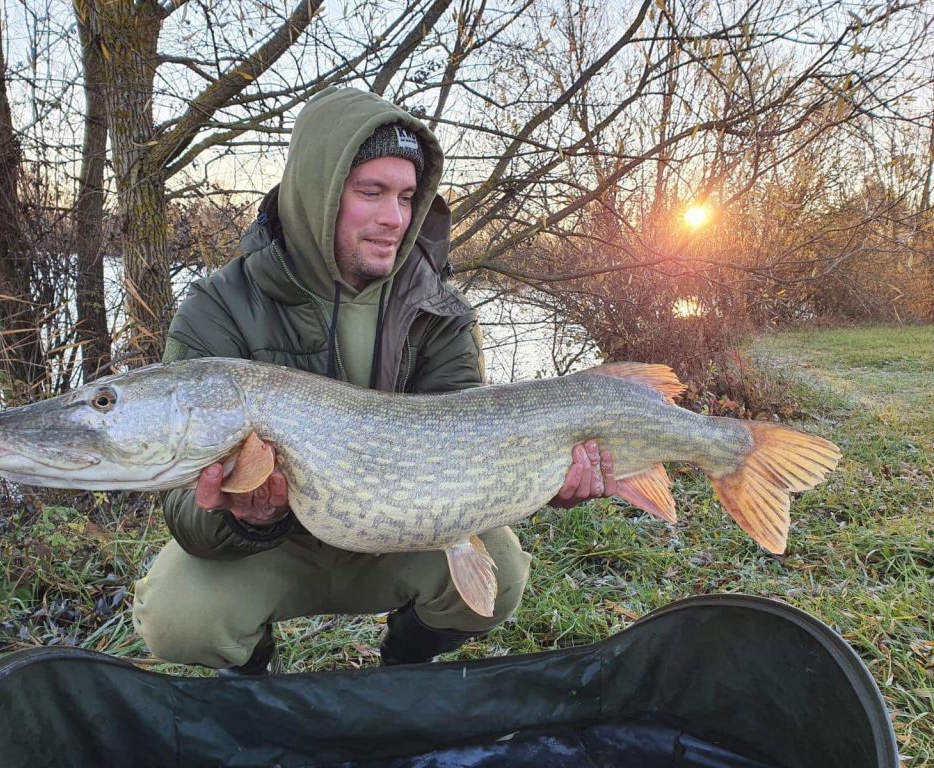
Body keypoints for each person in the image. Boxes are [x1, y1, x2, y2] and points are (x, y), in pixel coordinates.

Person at [133, 87, 617, 674]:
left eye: (408, 196)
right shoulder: (219, 306)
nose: (395, 218)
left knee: (503, 574)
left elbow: (468, 458)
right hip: (275, 549)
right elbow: (185, 509)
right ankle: (257, 685)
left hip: (399, 534)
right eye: (372, 193)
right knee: (177, 617)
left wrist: (546, 481)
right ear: (321, 195)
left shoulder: (441, 311)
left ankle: (401, 672)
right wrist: (246, 514)